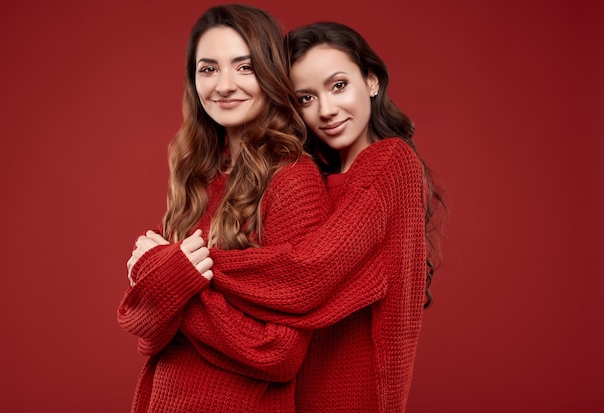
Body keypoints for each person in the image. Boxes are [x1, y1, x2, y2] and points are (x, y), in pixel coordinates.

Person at [181, 21, 446, 413]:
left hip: (355, 395)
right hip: (297, 394)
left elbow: (308, 273)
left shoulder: (391, 162)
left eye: (338, 85)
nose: (326, 110)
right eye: (305, 98)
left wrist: (181, 269)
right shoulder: (317, 177)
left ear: (371, 81)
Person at [117, 4, 334, 412]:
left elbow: (280, 353)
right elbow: (151, 336)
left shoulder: (293, 181)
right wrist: (163, 286)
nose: (224, 85)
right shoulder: (198, 177)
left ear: (271, 73)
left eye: (244, 67)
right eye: (208, 69)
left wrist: (170, 283)